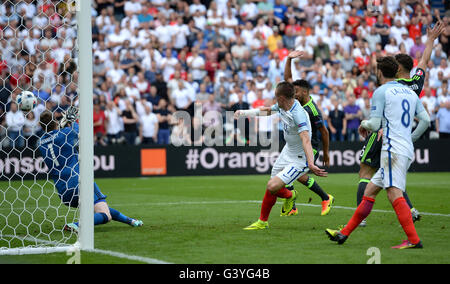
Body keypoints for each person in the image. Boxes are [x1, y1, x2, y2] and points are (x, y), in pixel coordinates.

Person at [325, 56, 430, 249]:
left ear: (380, 72)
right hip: (405, 149)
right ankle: (344, 234)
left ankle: (414, 240)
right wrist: (410, 138)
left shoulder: (381, 91)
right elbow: (426, 121)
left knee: (393, 193)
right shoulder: (409, 92)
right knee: (370, 190)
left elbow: (373, 124)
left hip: (391, 150)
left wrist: (363, 124)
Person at [355, 21, 445, 226]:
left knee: (365, 172)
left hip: (381, 132)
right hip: (402, 137)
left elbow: (378, 118)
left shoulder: (389, 87)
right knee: (392, 175)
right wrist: (430, 40)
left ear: (397, 69)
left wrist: (369, 124)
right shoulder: (415, 84)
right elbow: (424, 61)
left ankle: (361, 219)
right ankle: (410, 209)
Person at [235, 82, 327, 230]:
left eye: (276, 97)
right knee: (273, 187)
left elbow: (305, 138)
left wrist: (310, 163)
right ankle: (271, 214)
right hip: (287, 151)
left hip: (299, 159)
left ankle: (277, 208)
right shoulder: (283, 106)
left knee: (272, 186)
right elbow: (266, 111)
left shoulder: (298, 113)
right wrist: (244, 113)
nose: (275, 100)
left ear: (282, 98)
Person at [38, 107, 143, 232]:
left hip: (63, 191)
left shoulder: (41, 143)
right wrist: (72, 120)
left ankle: (131, 221)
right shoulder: (65, 133)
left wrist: (63, 122)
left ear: (40, 125)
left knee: (100, 206)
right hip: (79, 182)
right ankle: (77, 225)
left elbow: (55, 137)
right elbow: (78, 130)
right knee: (105, 215)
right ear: (55, 122)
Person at [284, 50, 334, 216]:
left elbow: (324, 132)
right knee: (286, 171)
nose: (293, 94)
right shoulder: (297, 101)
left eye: (296, 92)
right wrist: (289, 59)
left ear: (304, 92)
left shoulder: (312, 110)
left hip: (309, 146)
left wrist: (326, 153)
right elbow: (288, 80)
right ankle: (292, 206)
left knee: (296, 174)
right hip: (296, 144)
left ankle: (326, 197)